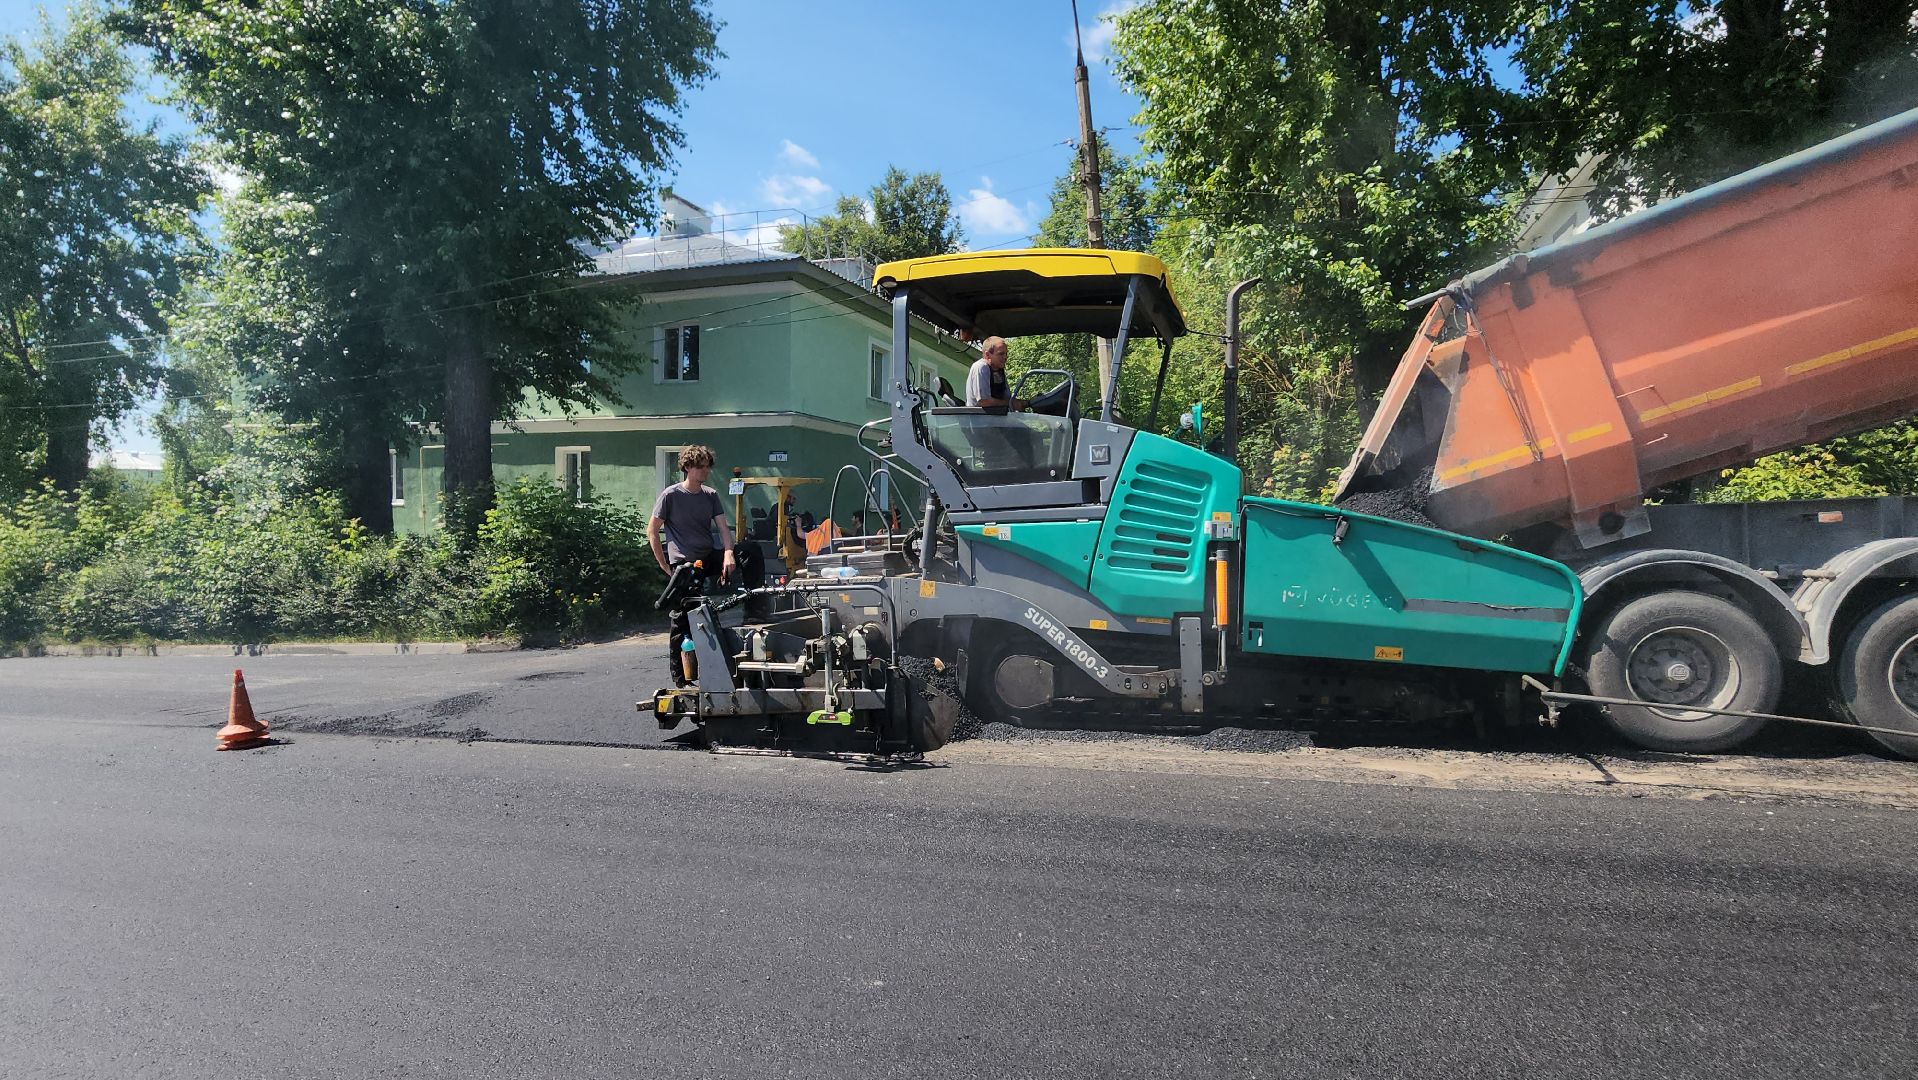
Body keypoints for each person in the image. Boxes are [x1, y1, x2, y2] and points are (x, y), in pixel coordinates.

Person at [649, 445, 735, 683]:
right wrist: (666, 566)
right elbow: (653, 532)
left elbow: (723, 529)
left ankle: (753, 606)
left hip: (707, 558)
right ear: (687, 468)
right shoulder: (671, 495)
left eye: (707, 466)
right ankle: (680, 677)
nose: (705, 471)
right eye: (700, 467)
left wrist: (729, 553)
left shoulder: (710, 495)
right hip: (685, 565)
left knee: (750, 552)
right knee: (682, 619)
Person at [964, 336, 1024, 410]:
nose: (1005, 357)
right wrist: (1010, 403)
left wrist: (1023, 403)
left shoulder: (999, 370)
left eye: (1006, 354)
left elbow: (1007, 398)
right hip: (979, 419)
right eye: (1001, 354)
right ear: (988, 355)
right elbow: (984, 402)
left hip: (996, 418)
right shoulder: (981, 367)